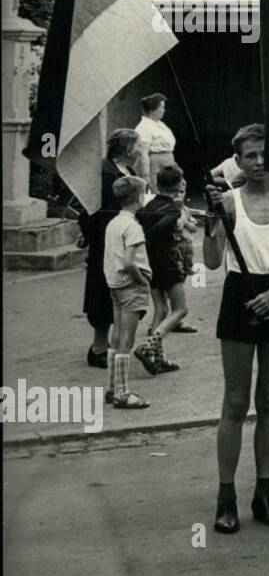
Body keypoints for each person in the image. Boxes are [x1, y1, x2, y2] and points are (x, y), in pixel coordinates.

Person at [203, 123, 269, 534]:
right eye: (250, 156)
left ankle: (264, 492)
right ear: (239, 161)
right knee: (234, 401)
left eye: (265, 154)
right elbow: (212, 261)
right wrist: (212, 221)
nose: (259, 162)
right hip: (239, 297)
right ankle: (225, 495)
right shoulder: (228, 202)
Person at [79, 128, 141, 371]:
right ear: (127, 149)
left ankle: (111, 345)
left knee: (121, 293)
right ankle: (98, 349)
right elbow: (92, 209)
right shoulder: (106, 173)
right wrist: (92, 237)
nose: (140, 150)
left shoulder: (130, 172)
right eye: (137, 146)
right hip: (107, 244)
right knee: (103, 295)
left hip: (125, 241)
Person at [102, 175, 153, 409]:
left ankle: (113, 388)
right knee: (127, 340)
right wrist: (143, 281)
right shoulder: (133, 227)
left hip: (114, 284)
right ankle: (123, 393)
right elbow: (130, 261)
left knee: (116, 336)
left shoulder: (114, 223)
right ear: (138, 198)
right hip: (131, 285)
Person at [135, 164, 191, 373]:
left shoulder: (147, 207)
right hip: (167, 261)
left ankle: (160, 358)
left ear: (157, 184)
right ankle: (148, 346)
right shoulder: (173, 209)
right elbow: (164, 227)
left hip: (150, 262)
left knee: (161, 308)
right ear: (178, 185)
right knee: (181, 309)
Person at [134, 93, 177, 191]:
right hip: (155, 166)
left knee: (171, 190)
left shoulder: (161, 125)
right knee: (157, 191)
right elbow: (143, 153)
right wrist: (145, 175)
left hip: (168, 164)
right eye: (161, 107)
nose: (163, 110)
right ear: (153, 110)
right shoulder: (144, 127)